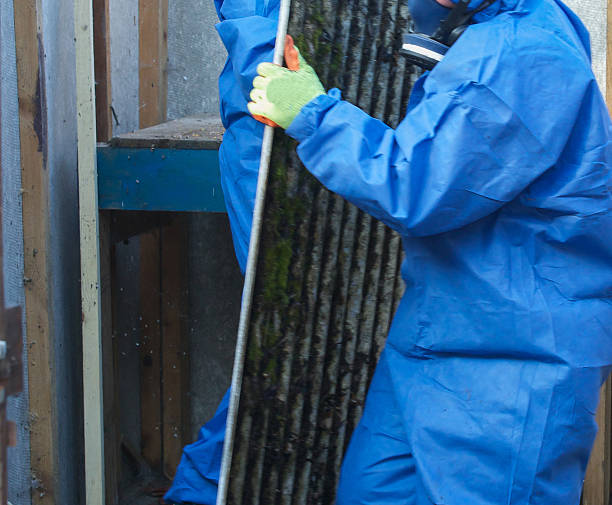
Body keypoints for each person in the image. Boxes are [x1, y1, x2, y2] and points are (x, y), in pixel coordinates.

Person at [167, 0, 612, 503]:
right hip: (438, 337)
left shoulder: (520, 54)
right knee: (369, 488)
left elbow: (414, 182)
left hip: (515, 362)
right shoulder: (488, 31)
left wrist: (314, 113)